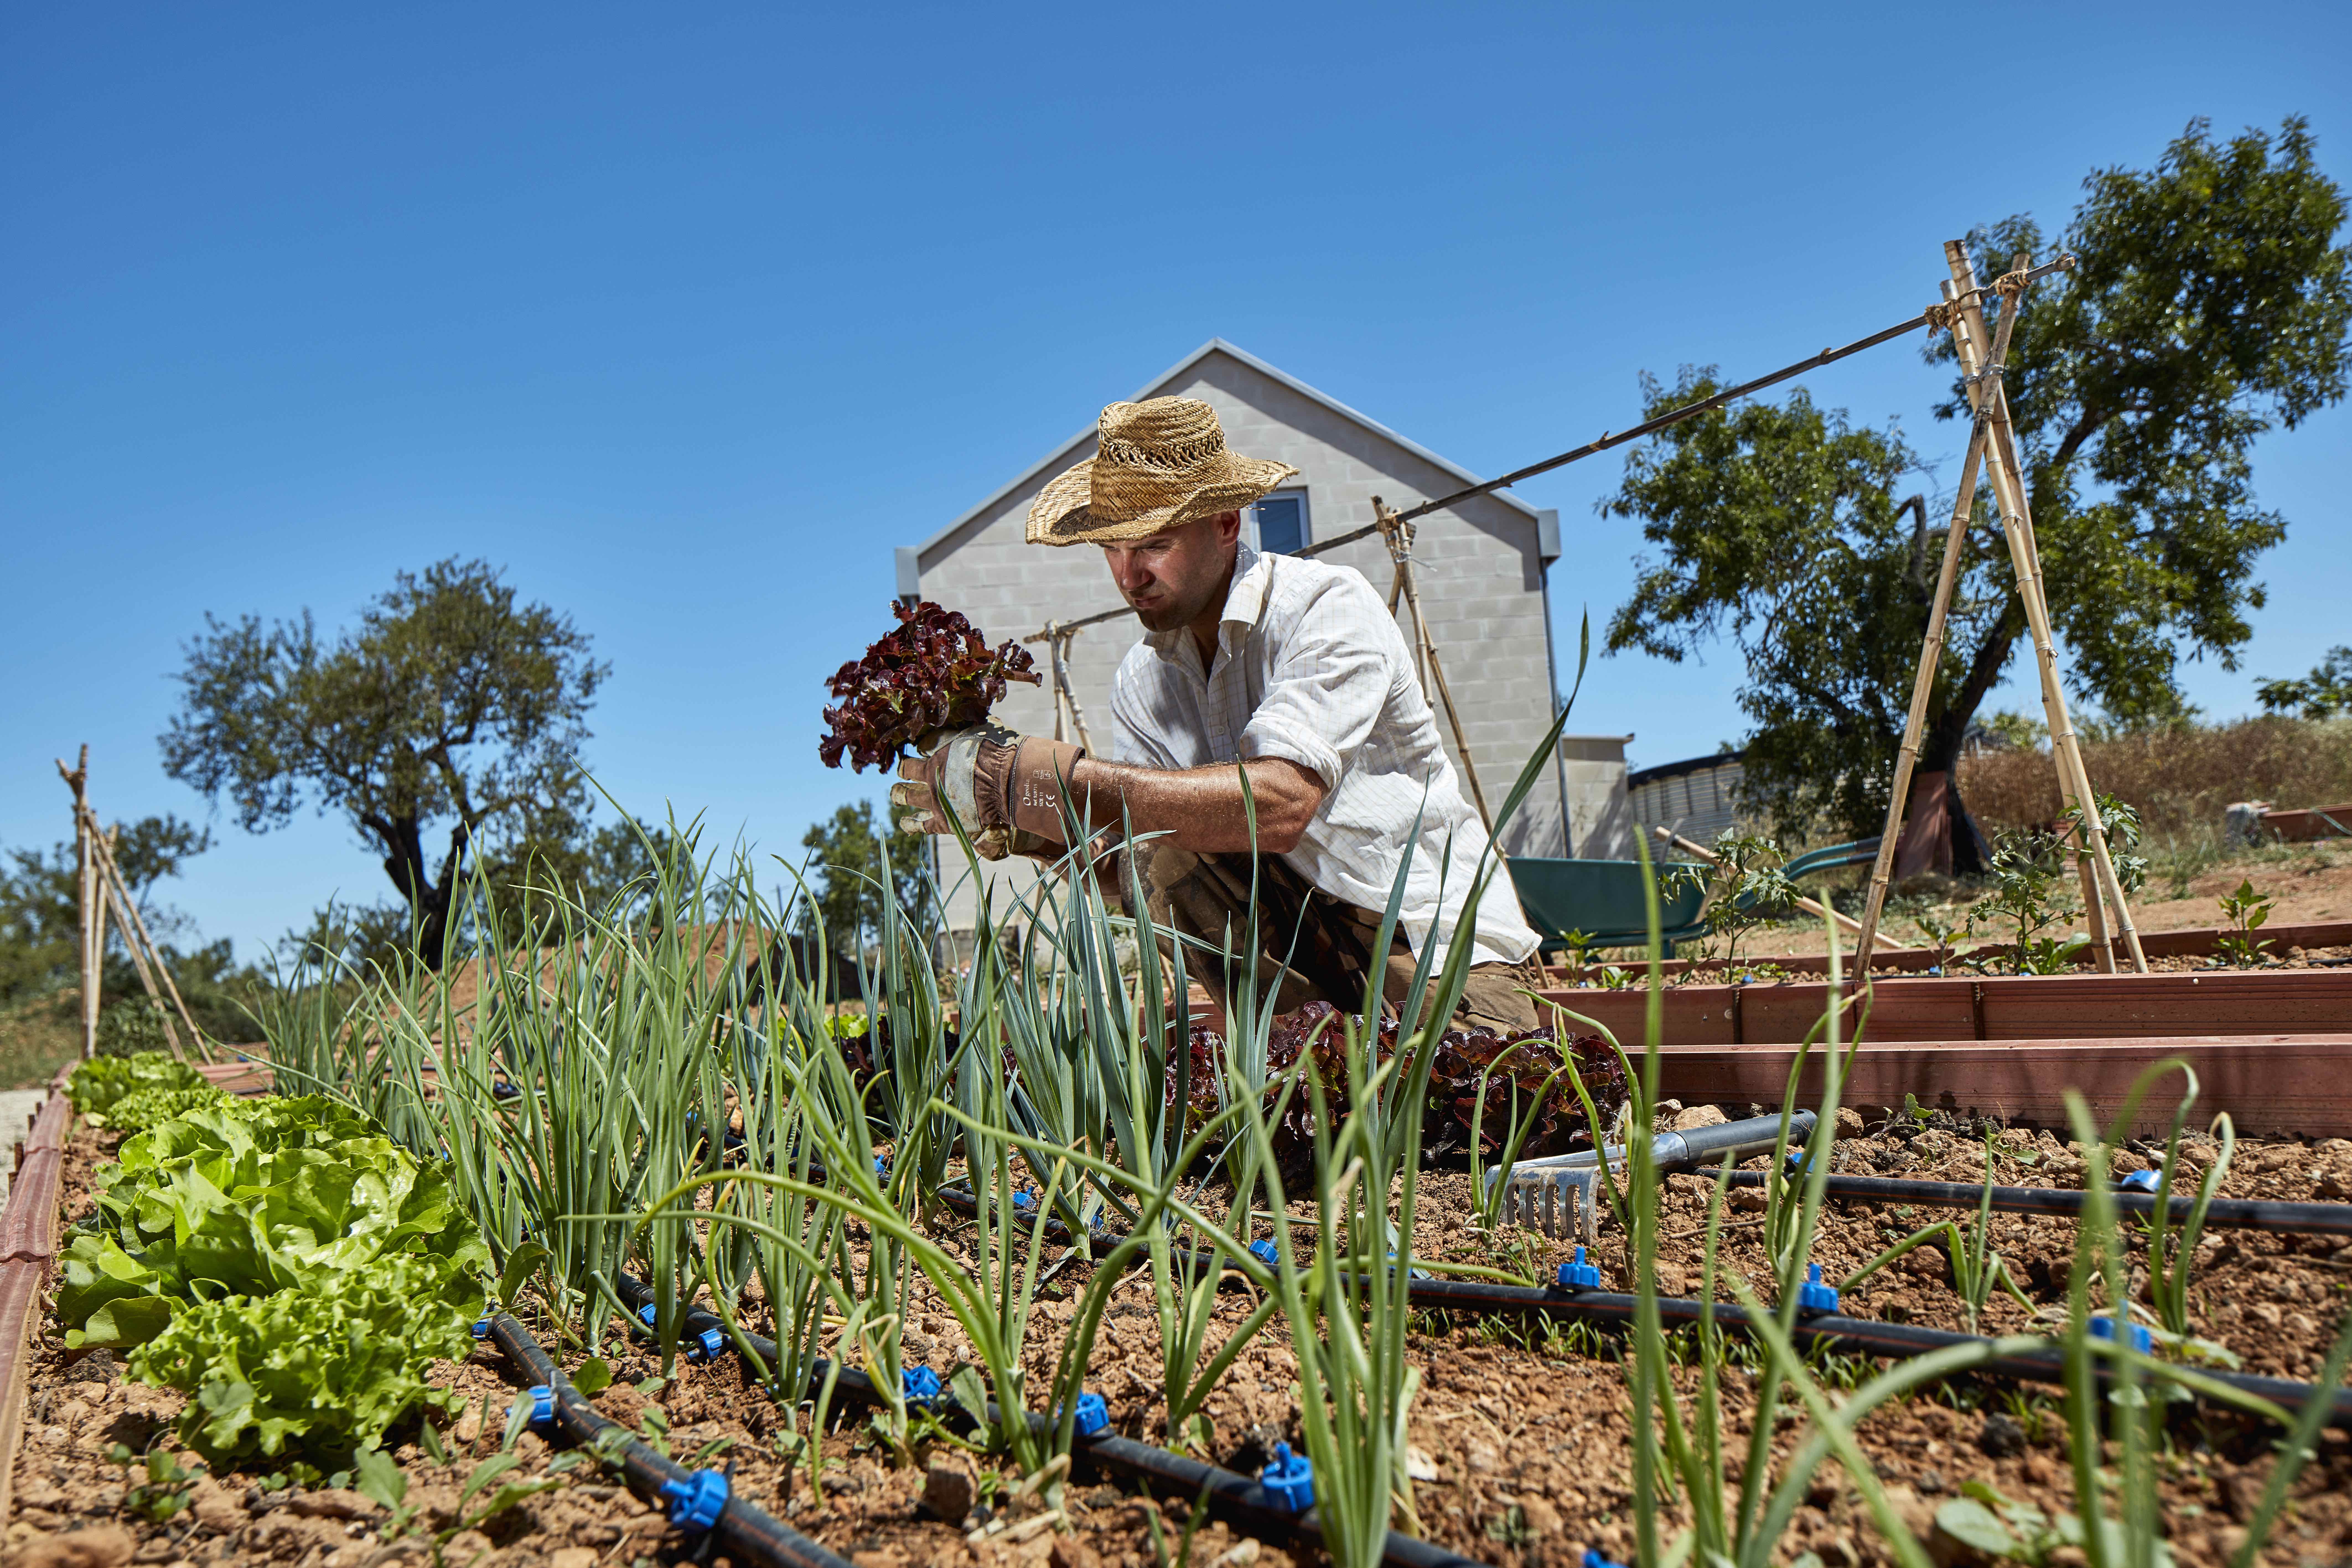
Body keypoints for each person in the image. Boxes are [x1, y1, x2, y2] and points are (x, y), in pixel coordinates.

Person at [891, 396, 1547, 1032]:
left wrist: (1066, 778)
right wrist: (1040, 830)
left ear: (1226, 523)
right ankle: (1295, 1064)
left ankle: (1356, 1067)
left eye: (1152, 544)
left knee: (1470, 1109)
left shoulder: (1325, 607)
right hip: (1306, 960)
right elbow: (1137, 872)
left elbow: (1280, 807)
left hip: (1435, 950)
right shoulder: (1142, 680)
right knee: (1162, 853)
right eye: (1111, 550)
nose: (1129, 576)